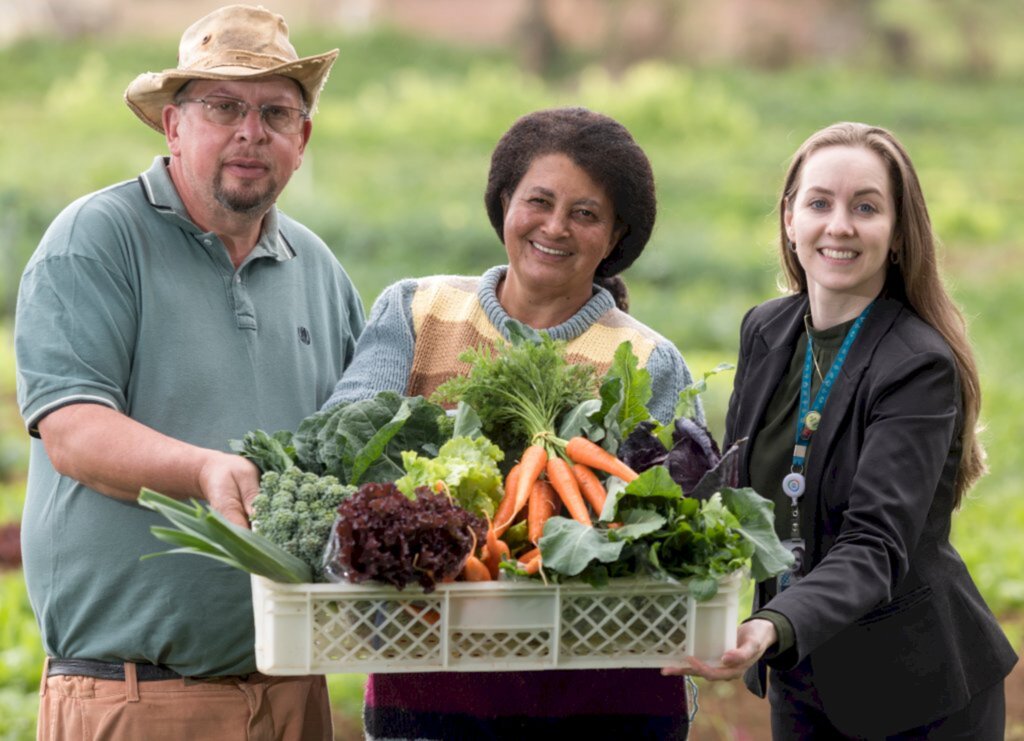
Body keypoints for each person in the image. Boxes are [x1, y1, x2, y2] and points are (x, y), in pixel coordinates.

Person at [15, 5, 365, 739]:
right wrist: (205, 471)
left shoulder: (320, 271)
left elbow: (355, 448)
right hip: (135, 698)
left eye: (276, 111)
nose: (250, 131)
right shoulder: (96, 240)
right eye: (223, 106)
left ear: (301, 140)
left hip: (294, 691)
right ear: (174, 126)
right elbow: (72, 430)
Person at [325, 107, 698, 739]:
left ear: (615, 236)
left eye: (586, 213)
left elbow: (663, 532)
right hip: (430, 689)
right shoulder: (417, 309)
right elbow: (347, 449)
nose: (556, 227)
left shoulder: (649, 361)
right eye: (540, 201)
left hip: (609, 698)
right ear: (504, 203)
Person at [667, 122, 1018, 739]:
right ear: (789, 219)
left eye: (866, 207)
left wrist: (772, 624)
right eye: (820, 203)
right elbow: (736, 486)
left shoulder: (916, 365)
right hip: (802, 671)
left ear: (899, 231)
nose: (840, 226)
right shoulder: (767, 329)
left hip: (915, 688)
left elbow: (875, 544)